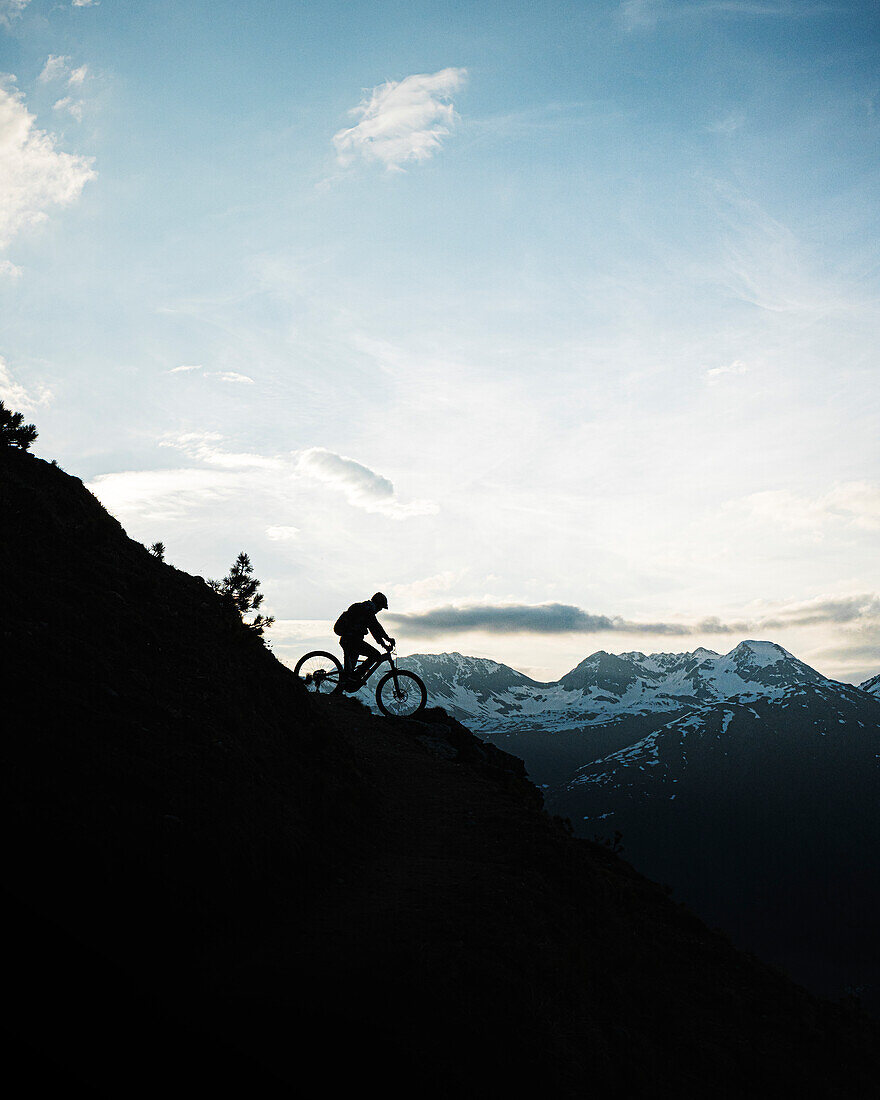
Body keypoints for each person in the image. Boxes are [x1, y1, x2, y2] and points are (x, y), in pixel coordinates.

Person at [334, 592, 395, 691]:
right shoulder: (368, 611)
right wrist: (386, 641)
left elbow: (375, 628)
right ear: (378, 604)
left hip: (348, 640)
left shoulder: (365, 608)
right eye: (381, 607)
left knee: (348, 672)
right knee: (375, 655)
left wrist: (384, 641)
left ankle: (342, 688)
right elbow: (375, 628)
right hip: (352, 640)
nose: (380, 610)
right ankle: (356, 676)